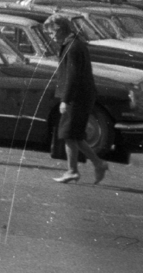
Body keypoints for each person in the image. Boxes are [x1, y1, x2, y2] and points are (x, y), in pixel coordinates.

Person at [46, 13, 107, 184]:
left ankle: (82, 168)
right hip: (80, 96)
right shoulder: (73, 43)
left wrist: (65, 100)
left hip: (77, 98)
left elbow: (73, 76)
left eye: (52, 33)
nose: (51, 37)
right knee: (72, 135)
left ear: (59, 30)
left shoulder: (72, 47)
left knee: (70, 134)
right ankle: (84, 167)